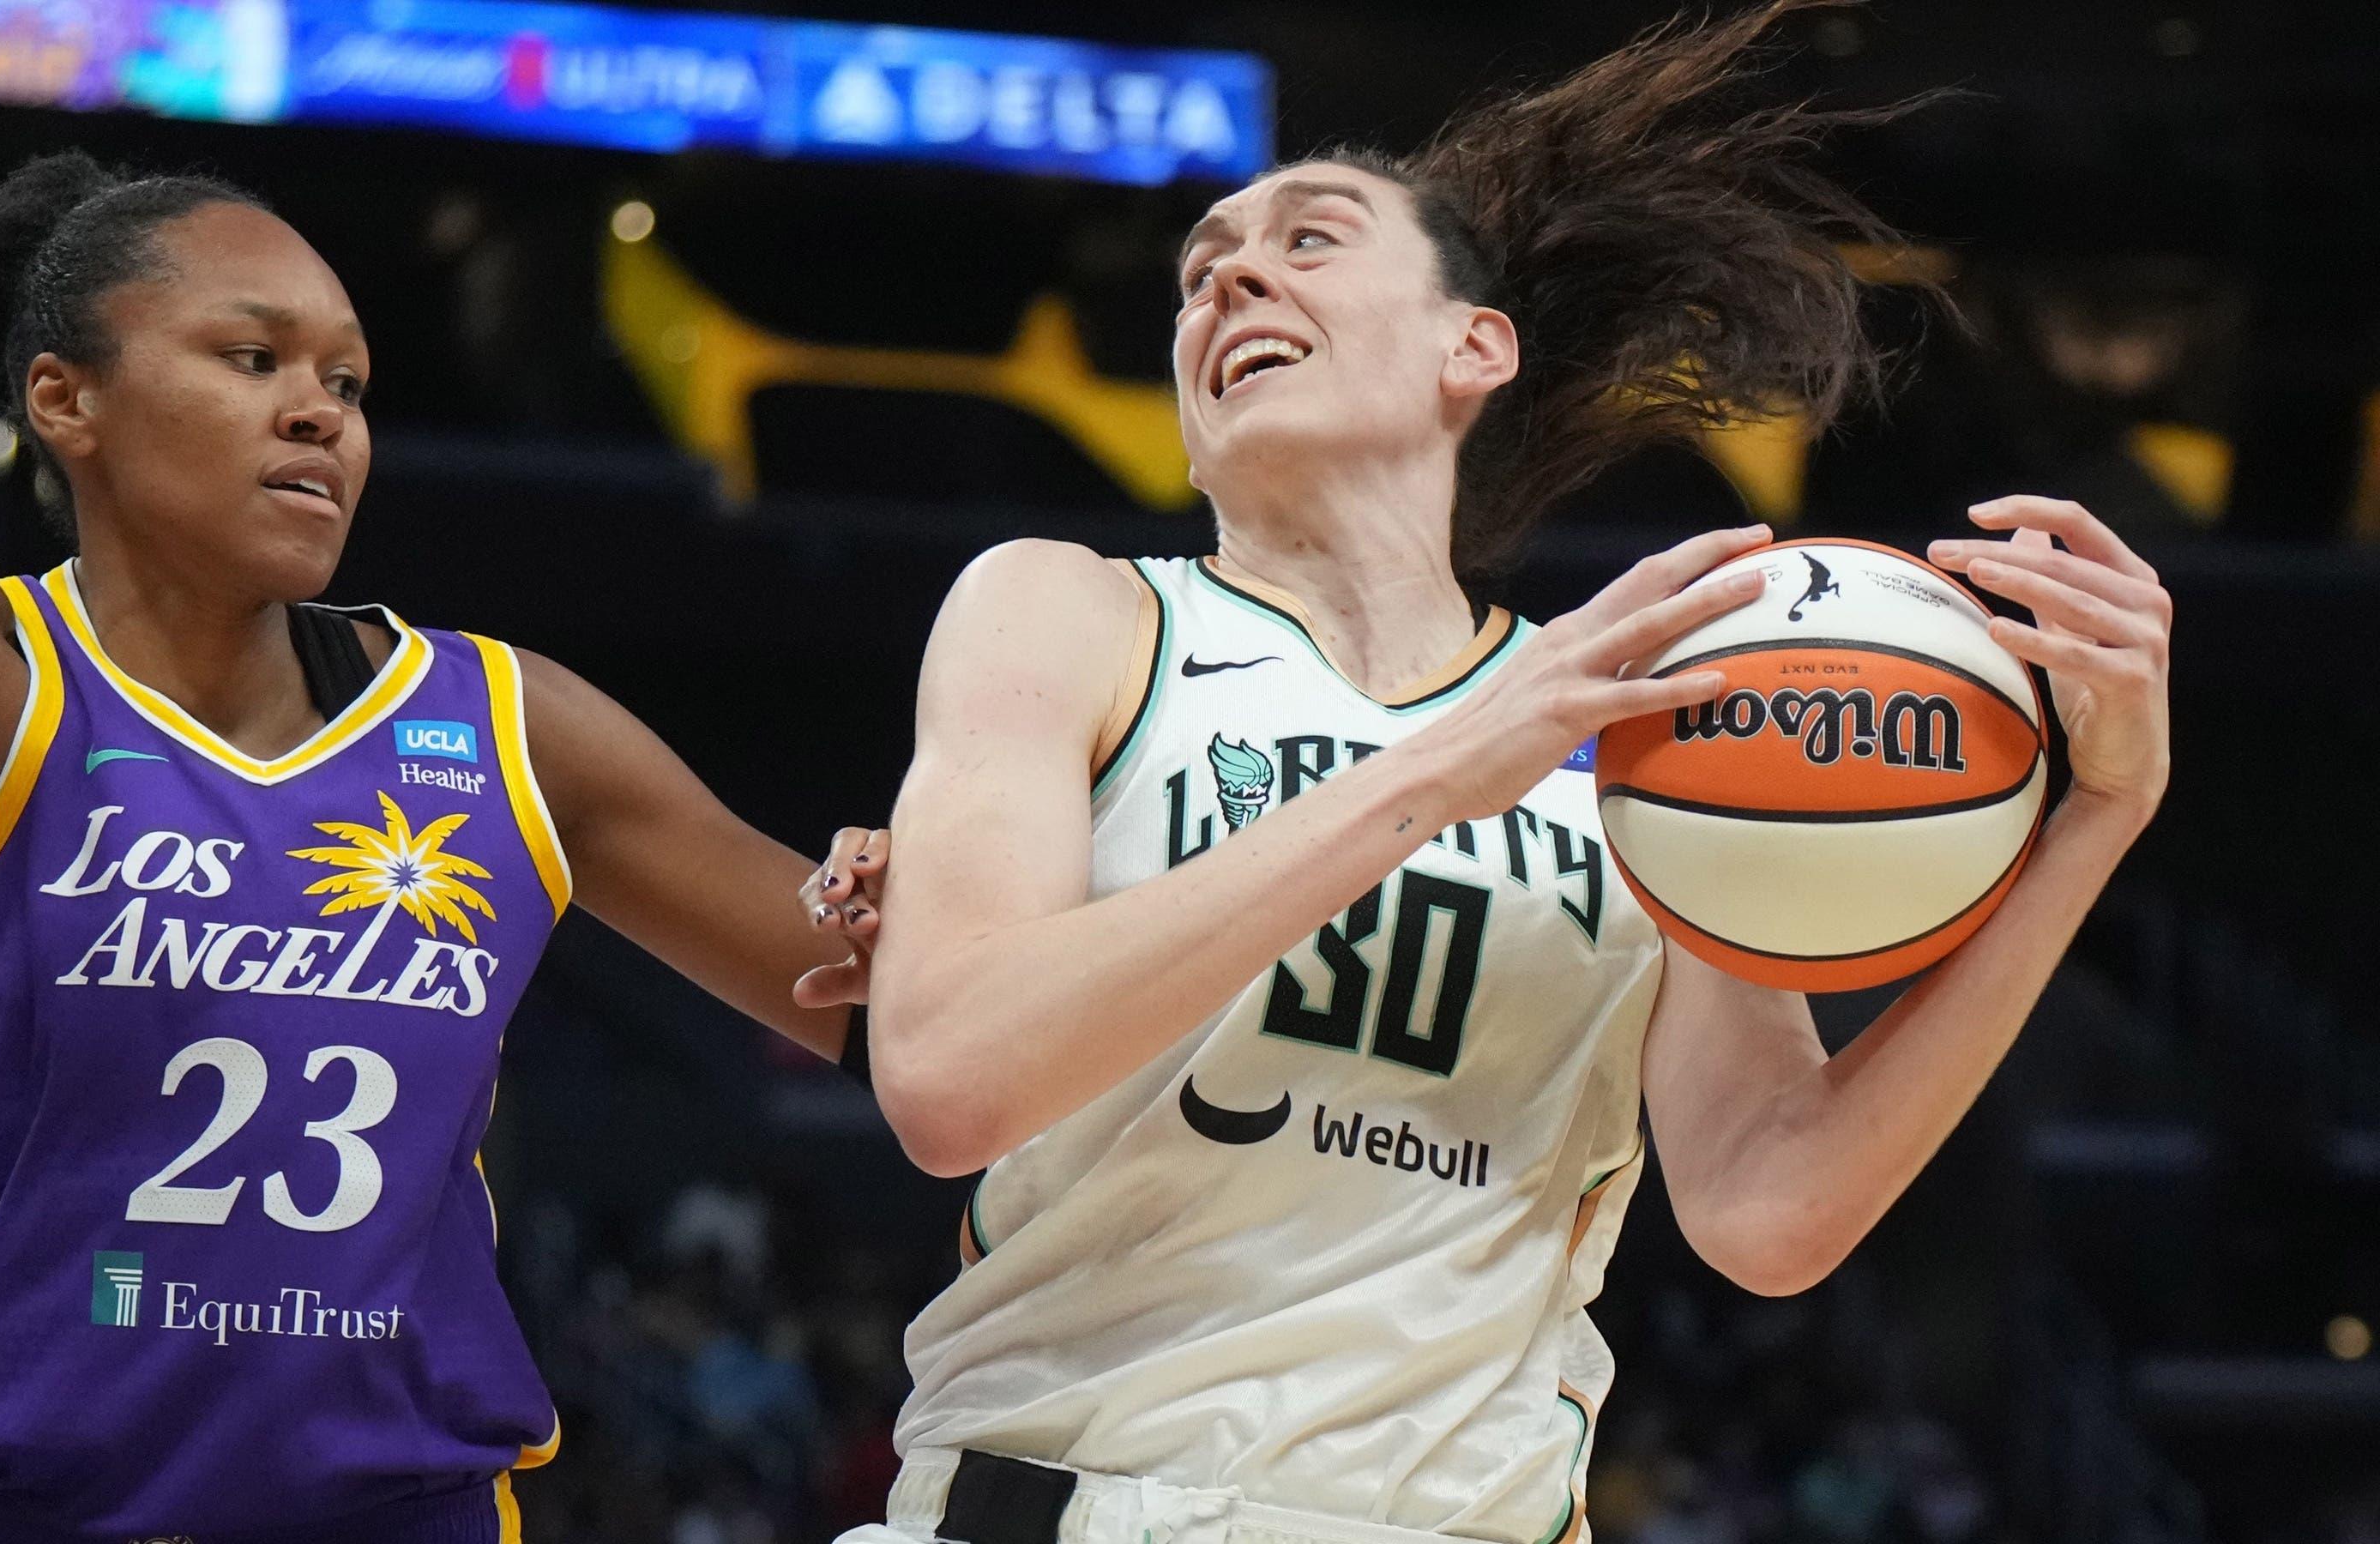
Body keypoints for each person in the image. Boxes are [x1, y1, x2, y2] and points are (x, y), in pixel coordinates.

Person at [847, 3, 2174, 1541]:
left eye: (1311, 239)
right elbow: (949, 1082)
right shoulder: (1067, 612)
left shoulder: (1643, 729)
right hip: (1082, 1499)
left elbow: (1770, 1213)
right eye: (1203, 266)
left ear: (1472, 347)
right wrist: (1431, 774)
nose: (1231, 277)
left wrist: (2090, 818)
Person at [0, 0, 884, 1539]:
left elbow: (895, 1015)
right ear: (63, 402)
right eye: (252, 357)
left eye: (349, 383)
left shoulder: (505, 724)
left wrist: (931, 899)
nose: (320, 410)